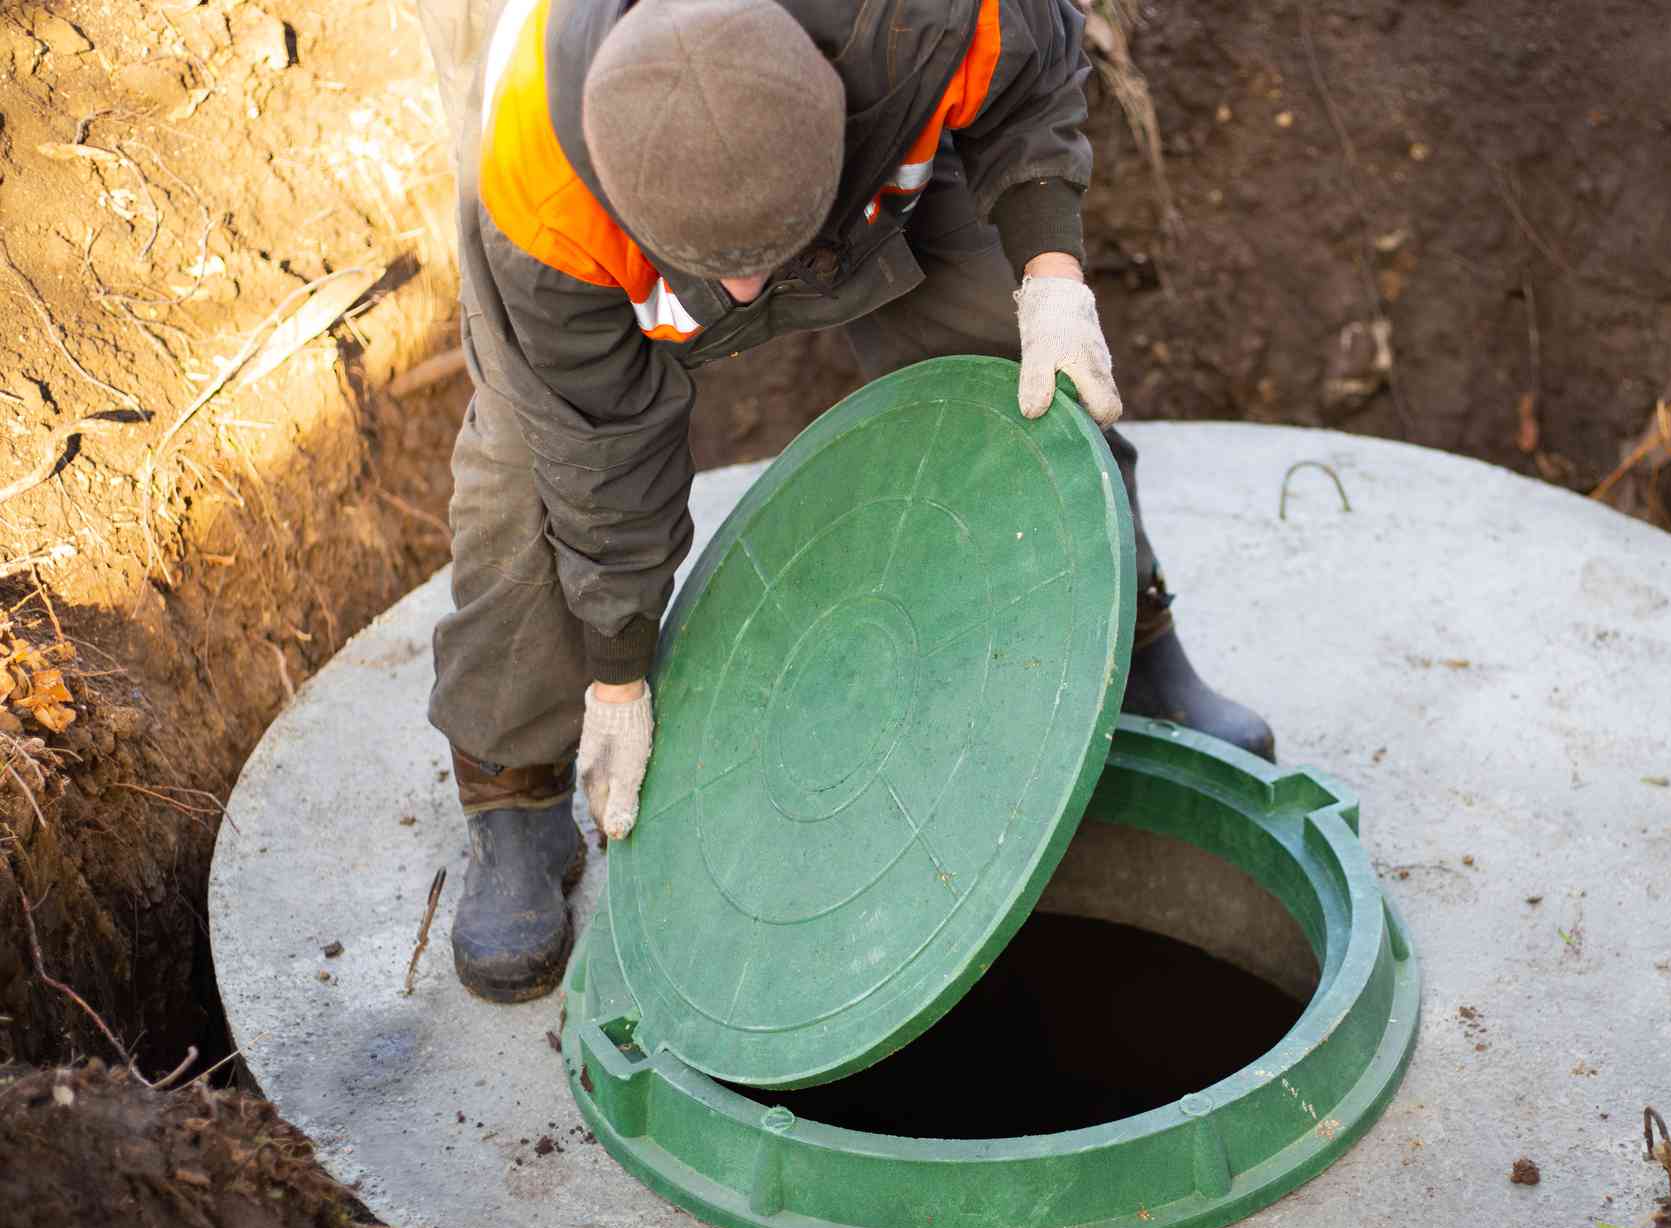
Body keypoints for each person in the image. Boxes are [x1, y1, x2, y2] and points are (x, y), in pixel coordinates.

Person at [415, 0, 1275, 1003]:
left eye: (759, 260)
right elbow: (598, 446)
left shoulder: (928, 19)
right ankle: (512, 792)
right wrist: (617, 667)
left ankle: (1123, 635)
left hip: (864, 174)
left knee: (1004, 360)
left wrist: (1050, 272)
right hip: (598, 229)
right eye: (719, 270)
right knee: (527, 479)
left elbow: (1032, 84)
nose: (743, 296)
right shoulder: (536, 181)